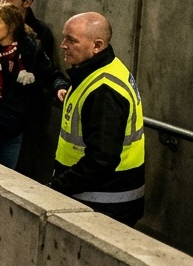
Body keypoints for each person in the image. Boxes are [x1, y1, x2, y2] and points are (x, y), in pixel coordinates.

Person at [49, 13, 145, 225]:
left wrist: (56, 187)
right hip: (101, 197)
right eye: (64, 37)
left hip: (103, 202)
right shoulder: (100, 70)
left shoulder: (103, 90)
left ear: (97, 46)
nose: (63, 45)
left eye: (71, 40)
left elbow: (101, 160)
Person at [0, 3, 56, 170]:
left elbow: (50, 74)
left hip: (14, 127)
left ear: (11, 26)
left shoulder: (30, 50)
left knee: (7, 176)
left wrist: (60, 88)